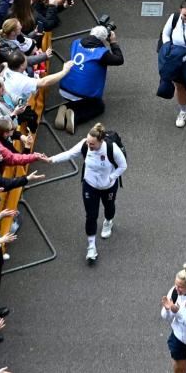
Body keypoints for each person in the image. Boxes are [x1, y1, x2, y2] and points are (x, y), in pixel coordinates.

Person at [46, 123, 126, 261]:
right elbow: (69, 154)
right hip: (90, 185)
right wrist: (51, 159)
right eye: (88, 142)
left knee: (109, 207)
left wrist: (111, 177)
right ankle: (91, 247)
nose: (89, 146)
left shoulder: (112, 148)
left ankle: (108, 221)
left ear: (101, 141)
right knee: (91, 215)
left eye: (92, 144)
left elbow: (123, 165)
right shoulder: (85, 144)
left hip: (108, 187)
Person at [54, 25, 124, 135]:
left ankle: (66, 106)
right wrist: (113, 42)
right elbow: (119, 60)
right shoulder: (102, 53)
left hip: (64, 87)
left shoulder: (76, 42)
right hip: (82, 93)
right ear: (104, 39)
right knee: (98, 106)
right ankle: (74, 114)